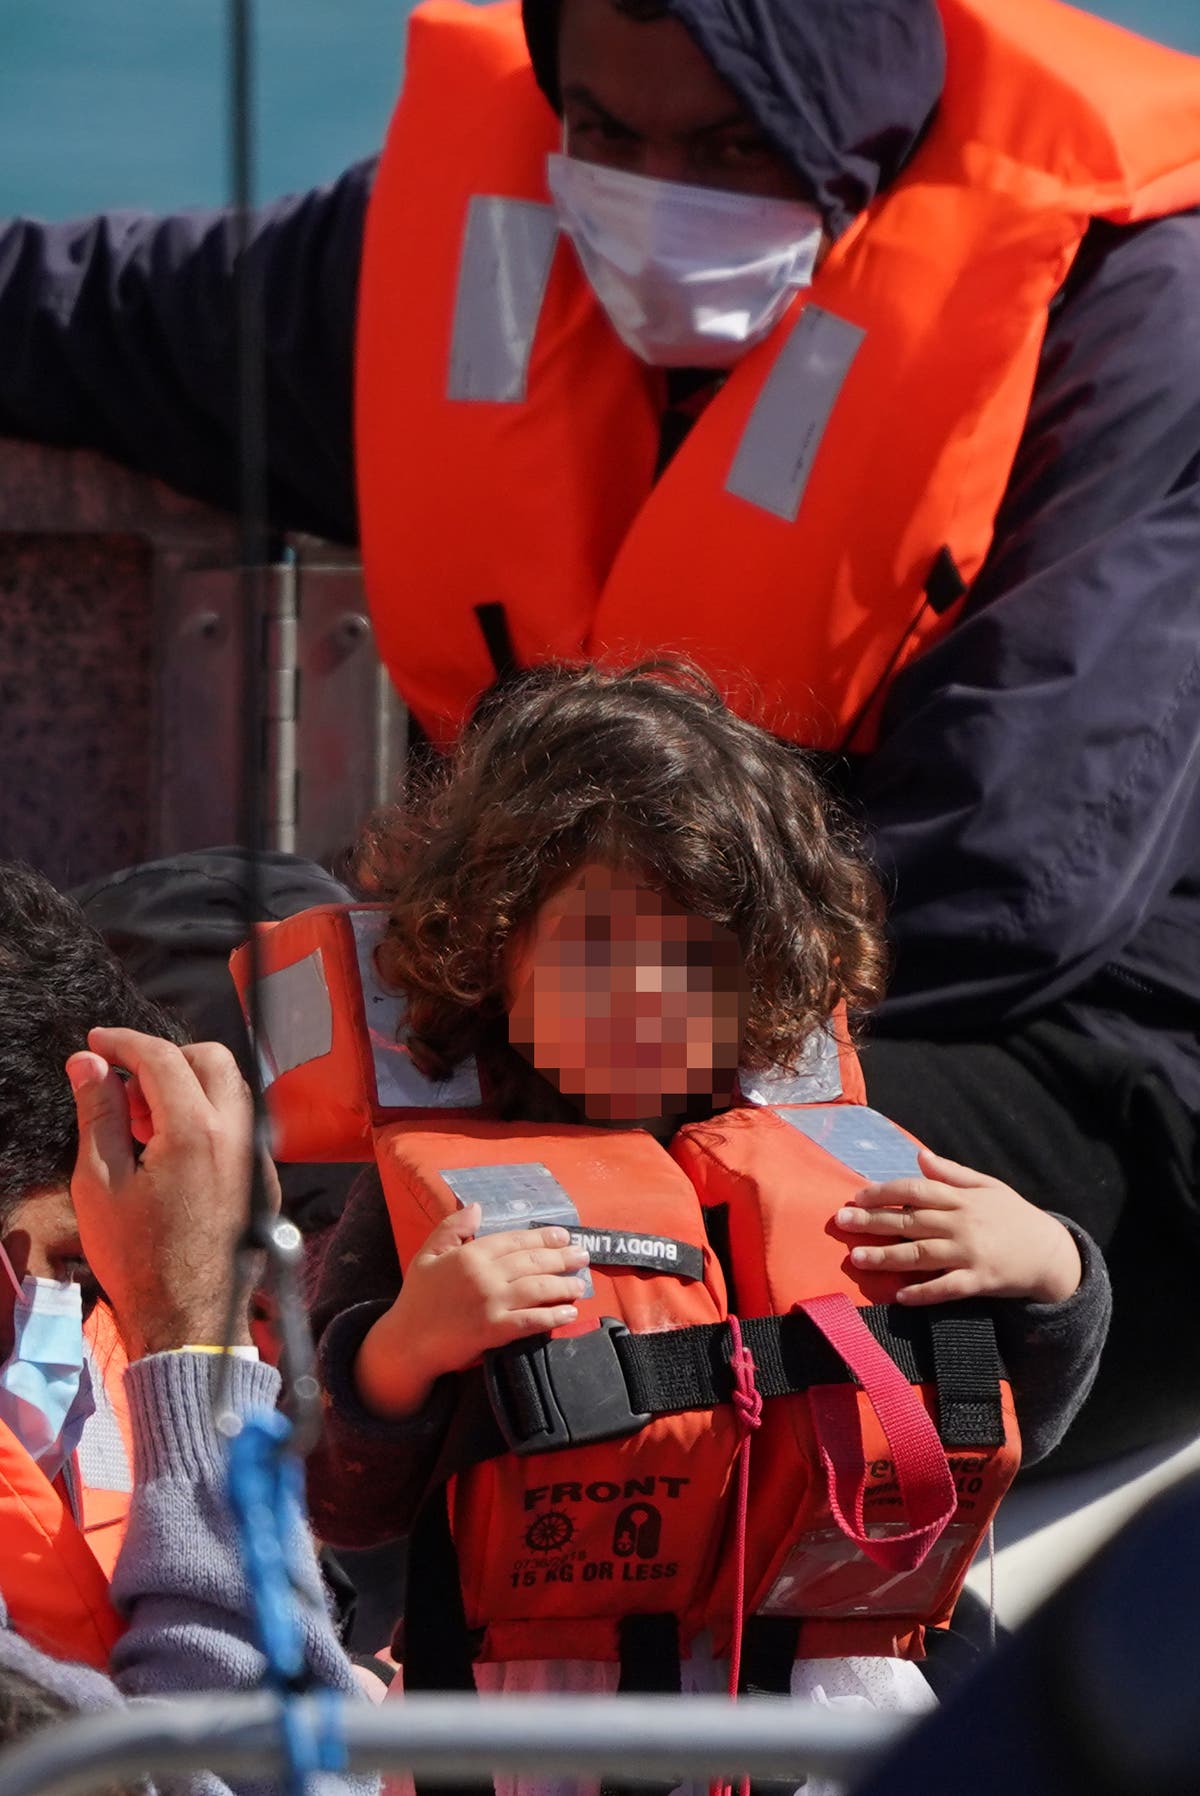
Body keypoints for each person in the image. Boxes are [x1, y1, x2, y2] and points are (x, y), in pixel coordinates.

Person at [1, 0, 1196, 1470]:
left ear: (853, 122)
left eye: (728, 143)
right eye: (606, 134)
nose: (656, 191)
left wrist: (544, 1066)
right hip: (555, 997)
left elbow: (1019, 879)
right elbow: (92, 319)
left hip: (1047, 1059)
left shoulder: (1122, 305)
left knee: (502, 1212)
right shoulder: (474, 245)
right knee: (128, 1051)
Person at [298, 661, 1111, 1794]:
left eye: (690, 958)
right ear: (493, 949)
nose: (639, 992)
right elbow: (344, 1500)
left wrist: (1056, 1272)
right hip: (528, 1741)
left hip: (819, 1722)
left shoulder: (845, 1167)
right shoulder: (435, 1201)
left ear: (763, 978)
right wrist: (405, 1351)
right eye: (590, 945)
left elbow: (1018, 1420)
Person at [0, 864, 373, 1792]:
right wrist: (193, 1335)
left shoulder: (106, 1374)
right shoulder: (161, 1341)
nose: (92, 1310)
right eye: (79, 1266)